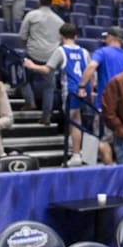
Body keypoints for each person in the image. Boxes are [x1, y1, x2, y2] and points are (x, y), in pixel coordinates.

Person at [24, 23, 91, 167]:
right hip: (84, 89)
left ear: (61, 36)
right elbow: (91, 72)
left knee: (73, 123)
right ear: (76, 36)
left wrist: (32, 66)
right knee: (77, 121)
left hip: (71, 90)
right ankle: (78, 153)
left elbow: (47, 69)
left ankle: (76, 154)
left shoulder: (61, 51)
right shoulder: (84, 52)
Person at [77, 26, 123, 164]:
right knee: (121, 143)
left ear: (110, 37)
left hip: (106, 106)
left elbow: (91, 67)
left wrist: (82, 86)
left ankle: (108, 173)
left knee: (101, 141)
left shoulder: (102, 52)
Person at [18, 0, 64, 124]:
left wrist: (25, 47)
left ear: (39, 1)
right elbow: (61, 40)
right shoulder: (59, 20)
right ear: (51, 3)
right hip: (50, 57)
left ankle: (29, 101)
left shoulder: (32, 15)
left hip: (32, 53)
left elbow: (22, 35)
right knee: (49, 87)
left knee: (21, 76)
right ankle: (46, 116)